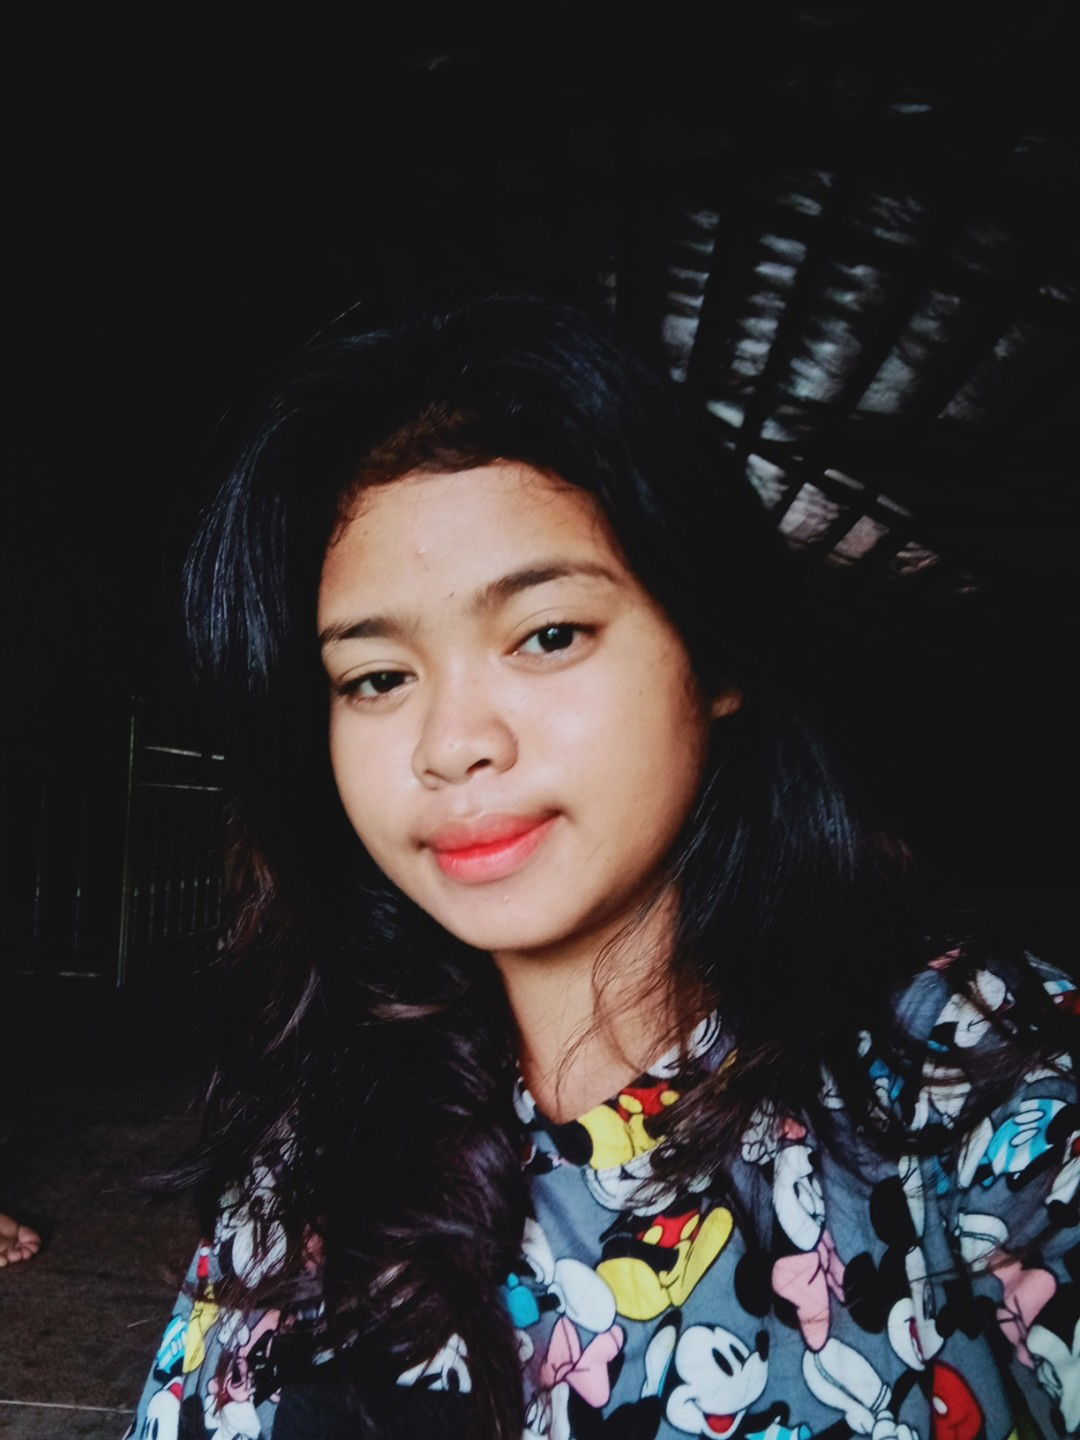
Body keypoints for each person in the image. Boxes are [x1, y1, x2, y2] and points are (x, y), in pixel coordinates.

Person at [128, 292, 1078, 1440]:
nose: (450, 745)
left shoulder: (971, 1079)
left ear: (715, 653)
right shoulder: (320, 1143)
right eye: (377, 678)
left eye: (548, 634)